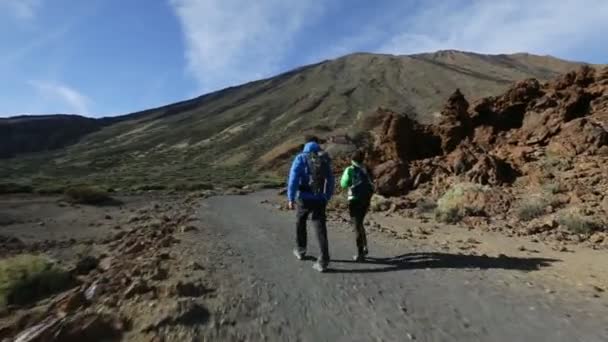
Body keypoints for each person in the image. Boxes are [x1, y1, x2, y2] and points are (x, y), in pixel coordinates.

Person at [287, 136, 335, 272]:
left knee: (300, 221)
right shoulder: (324, 159)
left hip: (304, 198)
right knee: (320, 227)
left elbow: (293, 179)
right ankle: (324, 259)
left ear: (306, 146)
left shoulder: (300, 158)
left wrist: (290, 198)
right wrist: (327, 196)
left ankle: (301, 250)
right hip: (320, 198)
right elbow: (331, 180)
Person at [340, 149, 374, 262]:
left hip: (354, 200)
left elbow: (343, 184)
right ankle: (365, 247)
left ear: (352, 159)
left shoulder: (350, 169)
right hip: (366, 199)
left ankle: (360, 253)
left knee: (356, 225)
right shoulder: (366, 169)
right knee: (360, 223)